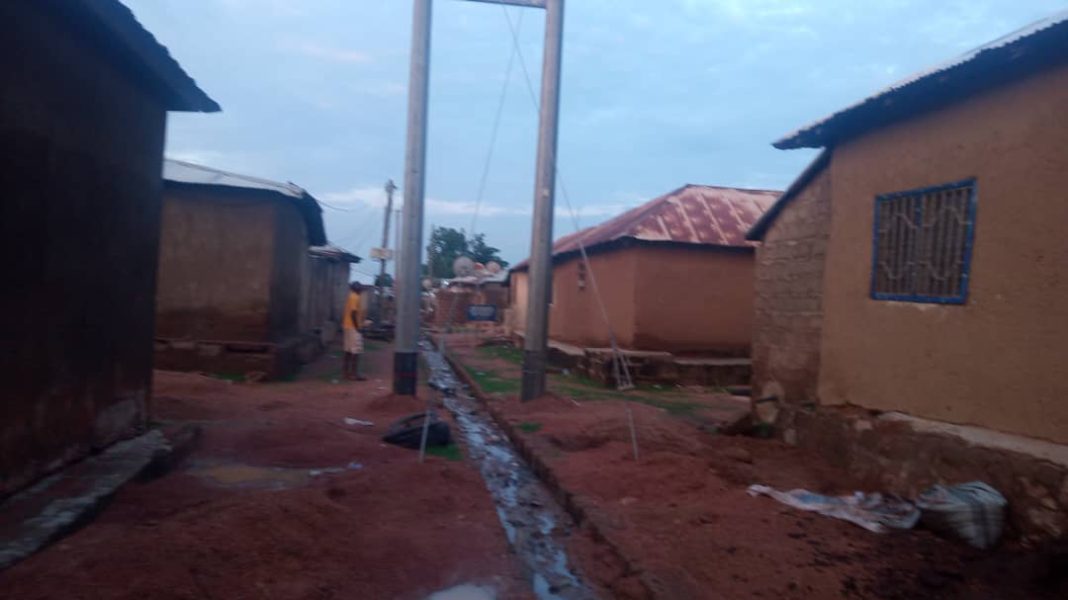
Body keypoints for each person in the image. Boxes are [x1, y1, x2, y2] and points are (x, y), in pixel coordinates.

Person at [342, 282, 367, 381]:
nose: (361, 289)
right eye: (360, 287)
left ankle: (346, 373)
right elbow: (353, 313)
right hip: (353, 327)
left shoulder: (351, 296)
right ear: (356, 288)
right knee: (356, 351)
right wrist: (357, 327)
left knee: (348, 350)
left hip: (347, 326)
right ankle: (354, 373)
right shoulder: (355, 297)